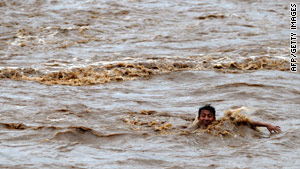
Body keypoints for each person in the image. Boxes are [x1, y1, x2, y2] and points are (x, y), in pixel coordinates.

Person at [192, 104, 281, 134]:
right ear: (199, 118)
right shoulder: (196, 126)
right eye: (203, 116)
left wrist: (266, 125)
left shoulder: (219, 124)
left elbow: (244, 121)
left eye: (209, 116)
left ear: (214, 119)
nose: (206, 118)